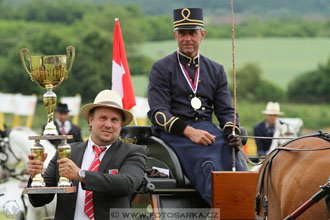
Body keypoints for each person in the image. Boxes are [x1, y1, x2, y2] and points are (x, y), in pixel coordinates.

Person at [147, 8, 246, 206]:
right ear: (175, 35)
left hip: (209, 131)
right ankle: (224, 209)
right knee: (208, 161)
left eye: (192, 33)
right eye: (182, 33)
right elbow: (158, 112)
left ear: (202, 34)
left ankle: (247, 208)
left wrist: (232, 132)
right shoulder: (161, 68)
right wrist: (189, 131)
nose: (187, 38)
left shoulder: (216, 70)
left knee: (234, 158)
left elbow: (226, 110)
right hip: (175, 134)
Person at [27, 90, 146, 220]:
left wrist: (81, 175)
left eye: (114, 120)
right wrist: (35, 177)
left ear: (121, 125)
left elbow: (126, 184)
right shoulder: (66, 152)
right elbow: (39, 200)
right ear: (90, 120)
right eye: (103, 118)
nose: (108, 125)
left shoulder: (133, 152)